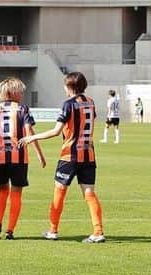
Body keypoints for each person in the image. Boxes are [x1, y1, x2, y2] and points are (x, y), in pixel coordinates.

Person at [19, 72, 106, 243]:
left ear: (71, 87)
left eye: (65, 85)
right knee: (89, 192)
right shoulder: (90, 102)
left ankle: (53, 230)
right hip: (88, 154)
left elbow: (56, 131)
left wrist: (32, 137)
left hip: (69, 155)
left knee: (59, 190)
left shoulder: (68, 104)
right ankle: (98, 232)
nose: (64, 88)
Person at [0, 77, 46, 240]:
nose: (22, 94)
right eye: (20, 91)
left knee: (2, 190)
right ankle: (10, 229)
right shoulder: (23, 109)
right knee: (16, 192)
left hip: (0, 157)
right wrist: (39, 153)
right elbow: (29, 132)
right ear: (12, 92)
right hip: (19, 157)